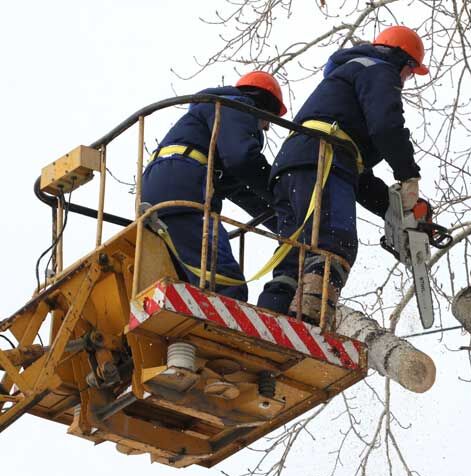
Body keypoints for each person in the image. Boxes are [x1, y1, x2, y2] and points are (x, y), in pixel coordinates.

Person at [257, 25, 429, 327]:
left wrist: (393, 208)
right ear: (403, 61)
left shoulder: (347, 82)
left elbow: (357, 178)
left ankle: (271, 319)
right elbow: (387, 127)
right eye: (410, 72)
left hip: (294, 164)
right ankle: (310, 323)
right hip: (323, 158)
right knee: (335, 240)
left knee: (293, 256)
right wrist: (408, 175)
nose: (406, 79)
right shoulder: (379, 70)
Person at [141, 71, 287, 302]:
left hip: (164, 184)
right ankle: (221, 338)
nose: (267, 128)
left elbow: (240, 190)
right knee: (227, 287)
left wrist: (284, 224)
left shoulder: (211, 123)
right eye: (268, 119)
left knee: (187, 289)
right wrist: (285, 192)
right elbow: (243, 159)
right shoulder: (237, 106)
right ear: (263, 103)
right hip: (184, 185)